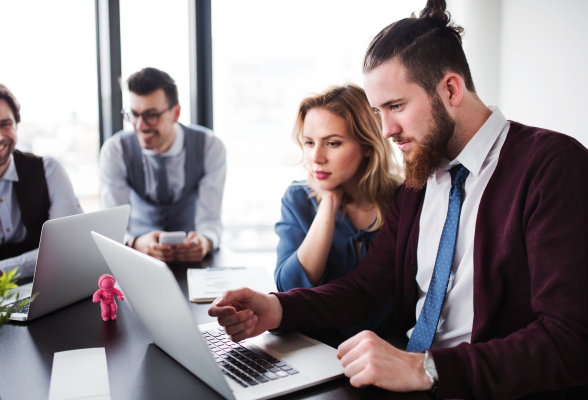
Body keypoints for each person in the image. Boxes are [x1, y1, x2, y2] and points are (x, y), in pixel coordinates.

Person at [208, 1, 588, 398]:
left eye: (396, 106)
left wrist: (427, 368)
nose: (387, 130)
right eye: (378, 111)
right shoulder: (421, 174)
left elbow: (572, 339)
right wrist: (277, 308)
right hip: (410, 380)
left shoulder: (552, 165)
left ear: (451, 89)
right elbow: (367, 287)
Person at [274, 84, 401, 338]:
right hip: (315, 347)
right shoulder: (298, 198)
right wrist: (329, 202)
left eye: (332, 143)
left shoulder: (402, 200)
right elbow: (290, 290)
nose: (316, 157)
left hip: (388, 350)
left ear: (368, 145)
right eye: (309, 143)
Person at [100, 68, 226, 262]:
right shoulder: (115, 151)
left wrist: (206, 241)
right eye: (134, 114)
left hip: (193, 260)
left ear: (176, 113)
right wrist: (134, 243)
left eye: (151, 115)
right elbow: (112, 228)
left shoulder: (210, 147)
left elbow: (210, 220)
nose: (141, 125)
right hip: (137, 258)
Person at [0, 79, 82, 278]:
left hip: (48, 284)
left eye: (5, 125)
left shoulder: (48, 170)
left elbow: (69, 244)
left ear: (16, 125)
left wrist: (1, 270)